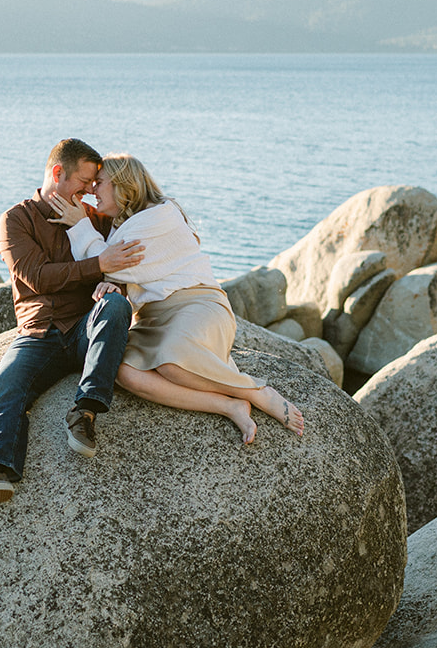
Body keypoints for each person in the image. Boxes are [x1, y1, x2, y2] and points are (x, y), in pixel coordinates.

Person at [0, 139, 146, 503]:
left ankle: (85, 412)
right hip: (40, 332)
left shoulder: (93, 219)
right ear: (57, 173)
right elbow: (38, 277)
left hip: (86, 326)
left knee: (115, 307)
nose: (89, 194)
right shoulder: (16, 220)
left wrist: (115, 278)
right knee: (9, 380)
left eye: (94, 186)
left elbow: (130, 254)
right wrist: (100, 264)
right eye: (83, 184)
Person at [47, 153, 305, 443]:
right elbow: (117, 270)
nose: (93, 190)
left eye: (99, 182)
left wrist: (80, 225)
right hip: (153, 319)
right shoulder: (123, 224)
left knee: (171, 363)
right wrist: (112, 284)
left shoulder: (158, 217)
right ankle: (227, 405)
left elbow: (105, 260)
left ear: (123, 184)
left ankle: (256, 392)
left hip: (197, 305)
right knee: (123, 372)